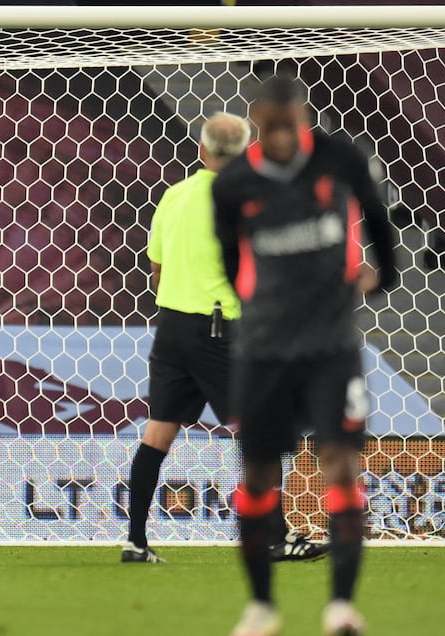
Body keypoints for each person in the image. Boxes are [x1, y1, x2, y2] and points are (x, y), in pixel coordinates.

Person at [212, 74, 396, 636]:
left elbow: (378, 220)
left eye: (291, 126)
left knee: (341, 465)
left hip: (331, 348)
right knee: (261, 476)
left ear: (303, 118)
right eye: (271, 129)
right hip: (265, 352)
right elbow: (228, 256)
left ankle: (341, 606)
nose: (284, 138)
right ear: (256, 122)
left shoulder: (340, 159)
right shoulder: (235, 183)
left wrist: (382, 277)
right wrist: (263, 307)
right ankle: (262, 607)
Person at [121, 111, 329, 564]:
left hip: (172, 326)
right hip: (219, 329)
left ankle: (135, 542)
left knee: (158, 432)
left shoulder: (172, 197)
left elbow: (156, 268)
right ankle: (275, 538)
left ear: (201, 149)